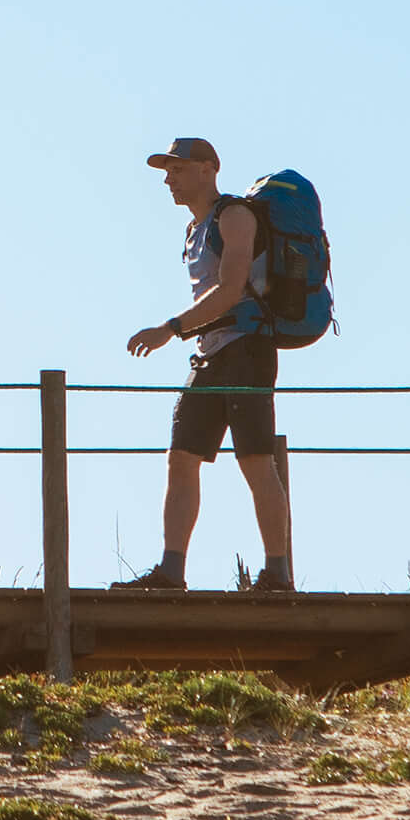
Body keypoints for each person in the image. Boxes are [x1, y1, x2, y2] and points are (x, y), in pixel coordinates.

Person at [118, 134, 290, 592]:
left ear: (209, 169)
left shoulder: (234, 216)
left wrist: (170, 328)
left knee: (255, 460)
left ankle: (277, 572)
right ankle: (171, 571)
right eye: (166, 171)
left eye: (177, 169)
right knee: (182, 458)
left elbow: (232, 288)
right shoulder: (194, 229)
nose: (169, 179)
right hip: (212, 353)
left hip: (248, 349)